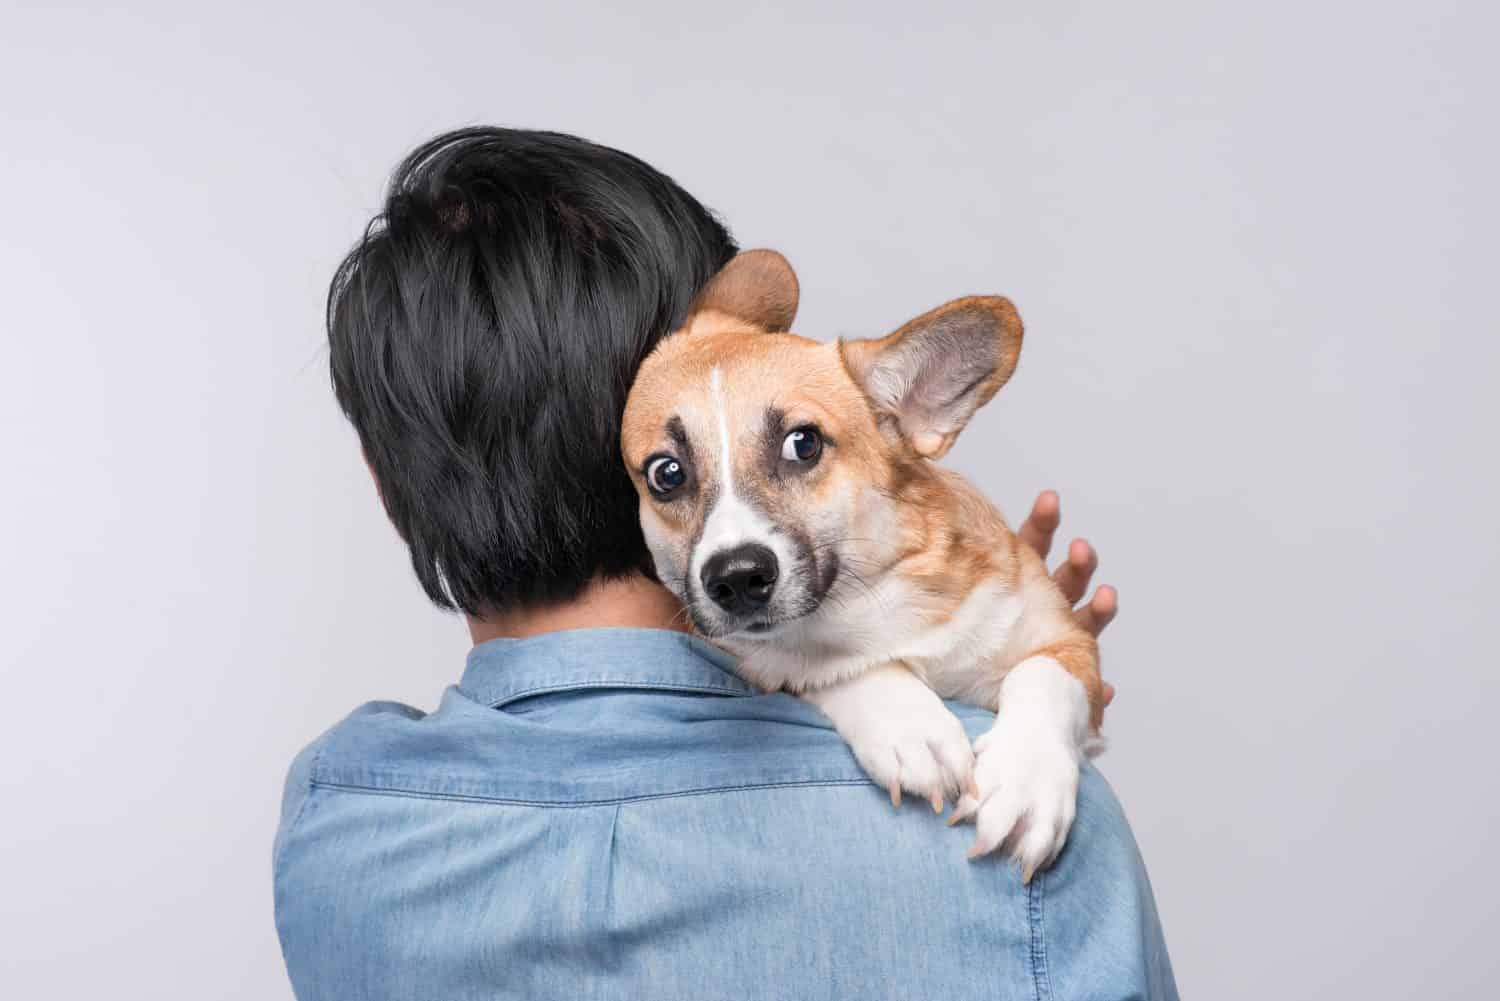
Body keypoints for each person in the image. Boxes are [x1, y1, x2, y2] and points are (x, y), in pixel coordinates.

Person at [274, 127, 1177, 1000]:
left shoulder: (335, 820)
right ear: (629, 450)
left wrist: (960, 649)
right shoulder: (1033, 816)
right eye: (673, 472)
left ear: (388, 486)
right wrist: (1020, 703)